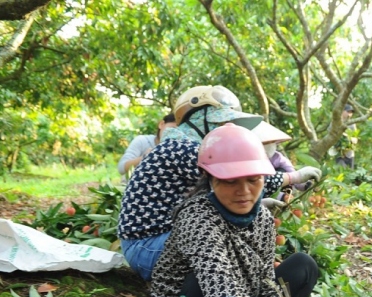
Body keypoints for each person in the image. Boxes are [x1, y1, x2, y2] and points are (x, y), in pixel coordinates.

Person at [150, 123, 331, 297]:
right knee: (200, 285)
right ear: (210, 178)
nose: (244, 191)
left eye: (253, 179)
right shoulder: (196, 218)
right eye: (230, 181)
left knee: (303, 265)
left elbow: (266, 284)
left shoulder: (263, 219)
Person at [117, 85, 322, 281]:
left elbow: (215, 195)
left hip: (164, 240)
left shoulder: (184, 147)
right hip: (146, 246)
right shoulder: (180, 148)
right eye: (219, 125)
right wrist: (291, 178)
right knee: (221, 241)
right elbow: (237, 174)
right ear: (199, 122)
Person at [117, 113, 177, 177]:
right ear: (161, 124)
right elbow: (121, 168)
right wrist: (145, 157)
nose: (174, 134)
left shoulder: (178, 151)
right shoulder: (142, 141)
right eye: (172, 129)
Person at [332, 104, 356, 168]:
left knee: (350, 174)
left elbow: (355, 139)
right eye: (348, 112)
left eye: (351, 112)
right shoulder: (335, 122)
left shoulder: (352, 124)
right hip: (339, 154)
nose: (349, 114)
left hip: (350, 154)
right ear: (342, 111)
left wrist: (348, 138)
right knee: (341, 172)